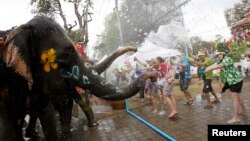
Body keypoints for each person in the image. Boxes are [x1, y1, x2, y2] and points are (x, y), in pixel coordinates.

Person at [205, 51, 247, 124]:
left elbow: (220, 66)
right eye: (217, 55)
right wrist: (208, 67)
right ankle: (243, 110)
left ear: (223, 54)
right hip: (232, 81)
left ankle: (235, 118)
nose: (218, 56)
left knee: (235, 99)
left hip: (235, 81)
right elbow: (215, 64)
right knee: (238, 97)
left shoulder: (227, 59)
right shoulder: (220, 61)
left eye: (220, 54)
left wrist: (210, 69)